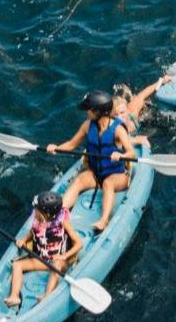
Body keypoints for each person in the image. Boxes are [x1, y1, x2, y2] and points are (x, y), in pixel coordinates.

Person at [47, 90, 139, 234]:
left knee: (108, 183)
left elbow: (131, 152)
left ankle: (104, 220)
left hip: (117, 175)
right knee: (79, 180)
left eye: (89, 109)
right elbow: (71, 144)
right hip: (96, 174)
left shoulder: (118, 129)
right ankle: (57, 214)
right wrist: (56, 148)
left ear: (98, 112)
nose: (86, 112)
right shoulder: (87, 125)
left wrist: (121, 155)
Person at [4, 190, 83, 311]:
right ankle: (15, 297)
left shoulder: (62, 221)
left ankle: (47, 296)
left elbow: (79, 244)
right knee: (17, 265)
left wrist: (64, 256)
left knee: (56, 265)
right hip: (42, 259)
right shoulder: (38, 219)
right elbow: (34, 231)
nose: (34, 211)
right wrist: (24, 239)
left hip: (59, 261)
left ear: (47, 214)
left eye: (37, 209)